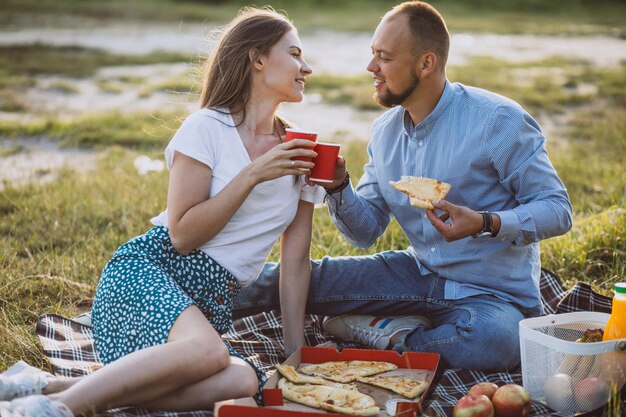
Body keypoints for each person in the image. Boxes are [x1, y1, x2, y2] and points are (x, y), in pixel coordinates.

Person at [0, 7, 322, 416]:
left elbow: (295, 263)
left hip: (207, 306)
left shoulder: (304, 152)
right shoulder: (206, 128)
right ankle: (53, 408)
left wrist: (296, 356)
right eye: (294, 54)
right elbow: (182, 236)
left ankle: (45, 386)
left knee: (241, 379)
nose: (306, 67)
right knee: (209, 353)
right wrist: (252, 174)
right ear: (257, 59)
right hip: (151, 273)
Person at [233, 0, 572, 371]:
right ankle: (185, 290)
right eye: (372, 54)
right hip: (417, 274)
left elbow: (557, 210)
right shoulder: (385, 132)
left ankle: (390, 336)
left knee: (496, 341)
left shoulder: (497, 121)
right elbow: (365, 232)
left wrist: (485, 222)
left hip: (492, 295)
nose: (371, 67)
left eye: (385, 57)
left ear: (426, 64)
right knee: (303, 280)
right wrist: (339, 185)